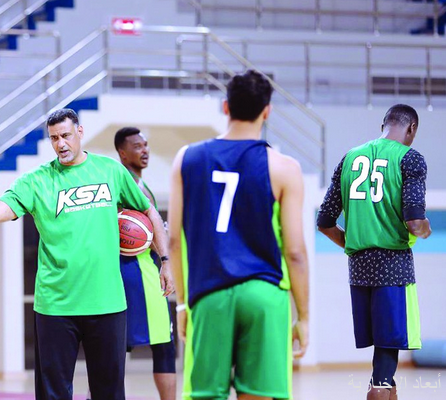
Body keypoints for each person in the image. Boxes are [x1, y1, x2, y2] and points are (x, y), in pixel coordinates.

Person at [0, 108, 175, 400]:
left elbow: (149, 211)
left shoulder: (110, 171)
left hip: (107, 302)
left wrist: (165, 261)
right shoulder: (36, 181)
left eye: (65, 135)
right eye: (54, 138)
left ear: (80, 132)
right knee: (53, 395)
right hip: (55, 306)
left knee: (109, 393)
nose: (60, 143)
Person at [168, 70, 310, 400]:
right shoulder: (285, 168)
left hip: (210, 294)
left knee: (205, 395)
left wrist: (183, 304)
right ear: (267, 111)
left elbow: (173, 240)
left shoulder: (186, 159)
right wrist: (303, 317)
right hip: (264, 296)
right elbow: (295, 253)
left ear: (225, 106)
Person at [317, 104, 429, 400]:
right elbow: (415, 221)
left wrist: (355, 244)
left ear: (383, 125)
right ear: (411, 129)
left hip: (358, 270)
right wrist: (425, 229)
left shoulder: (350, 158)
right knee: (382, 374)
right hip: (394, 268)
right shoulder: (410, 158)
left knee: (384, 360)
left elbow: (324, 221)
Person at [113, 127, 176, 400]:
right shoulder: (127, 184)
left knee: (112, 351)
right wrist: (163, 252)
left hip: (131, 273)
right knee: (164, 347)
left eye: (146, 145)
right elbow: (137, 234)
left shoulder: (137, 183)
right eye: (137, 146)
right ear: (122, 153)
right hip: (139, 272)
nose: (145, 150)